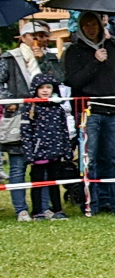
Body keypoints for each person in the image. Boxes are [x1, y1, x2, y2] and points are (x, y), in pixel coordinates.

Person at [61, 10, 115, 216]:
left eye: (93, 23)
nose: (90, 27)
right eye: (86, 24)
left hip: (114, 110)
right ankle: (92, 203)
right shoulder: (73, 51)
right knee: (90, 160)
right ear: (81, 28)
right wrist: (95, 61)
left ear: (100, 25)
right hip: (90, 112)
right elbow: (73, 81)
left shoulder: (114, 46)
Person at [4, 23, 60, 221]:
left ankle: (43, 207)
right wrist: (11, 101)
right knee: (18, 166)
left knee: (42, 166)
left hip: (44, 121)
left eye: (44, 35)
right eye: (36, 35)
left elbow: (58, 81)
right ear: (24, 37)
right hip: (19, 118)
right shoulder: (10, 57)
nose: (41, 39)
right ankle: (21, 209)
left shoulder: (49, 56)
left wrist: (43, 61)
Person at [20, 74, 73, 220]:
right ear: (35, 90)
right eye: (41, 88)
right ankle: (38, 211)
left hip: (55, 152)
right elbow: (25, 132)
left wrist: (67, 150)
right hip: (38, 153)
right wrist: (29, 153)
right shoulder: (30, 108)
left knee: (54, 182)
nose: (45, 91)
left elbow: (64, 131)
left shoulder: (58, 108)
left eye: (48, 87)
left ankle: (57, 209)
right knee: (37, 183)